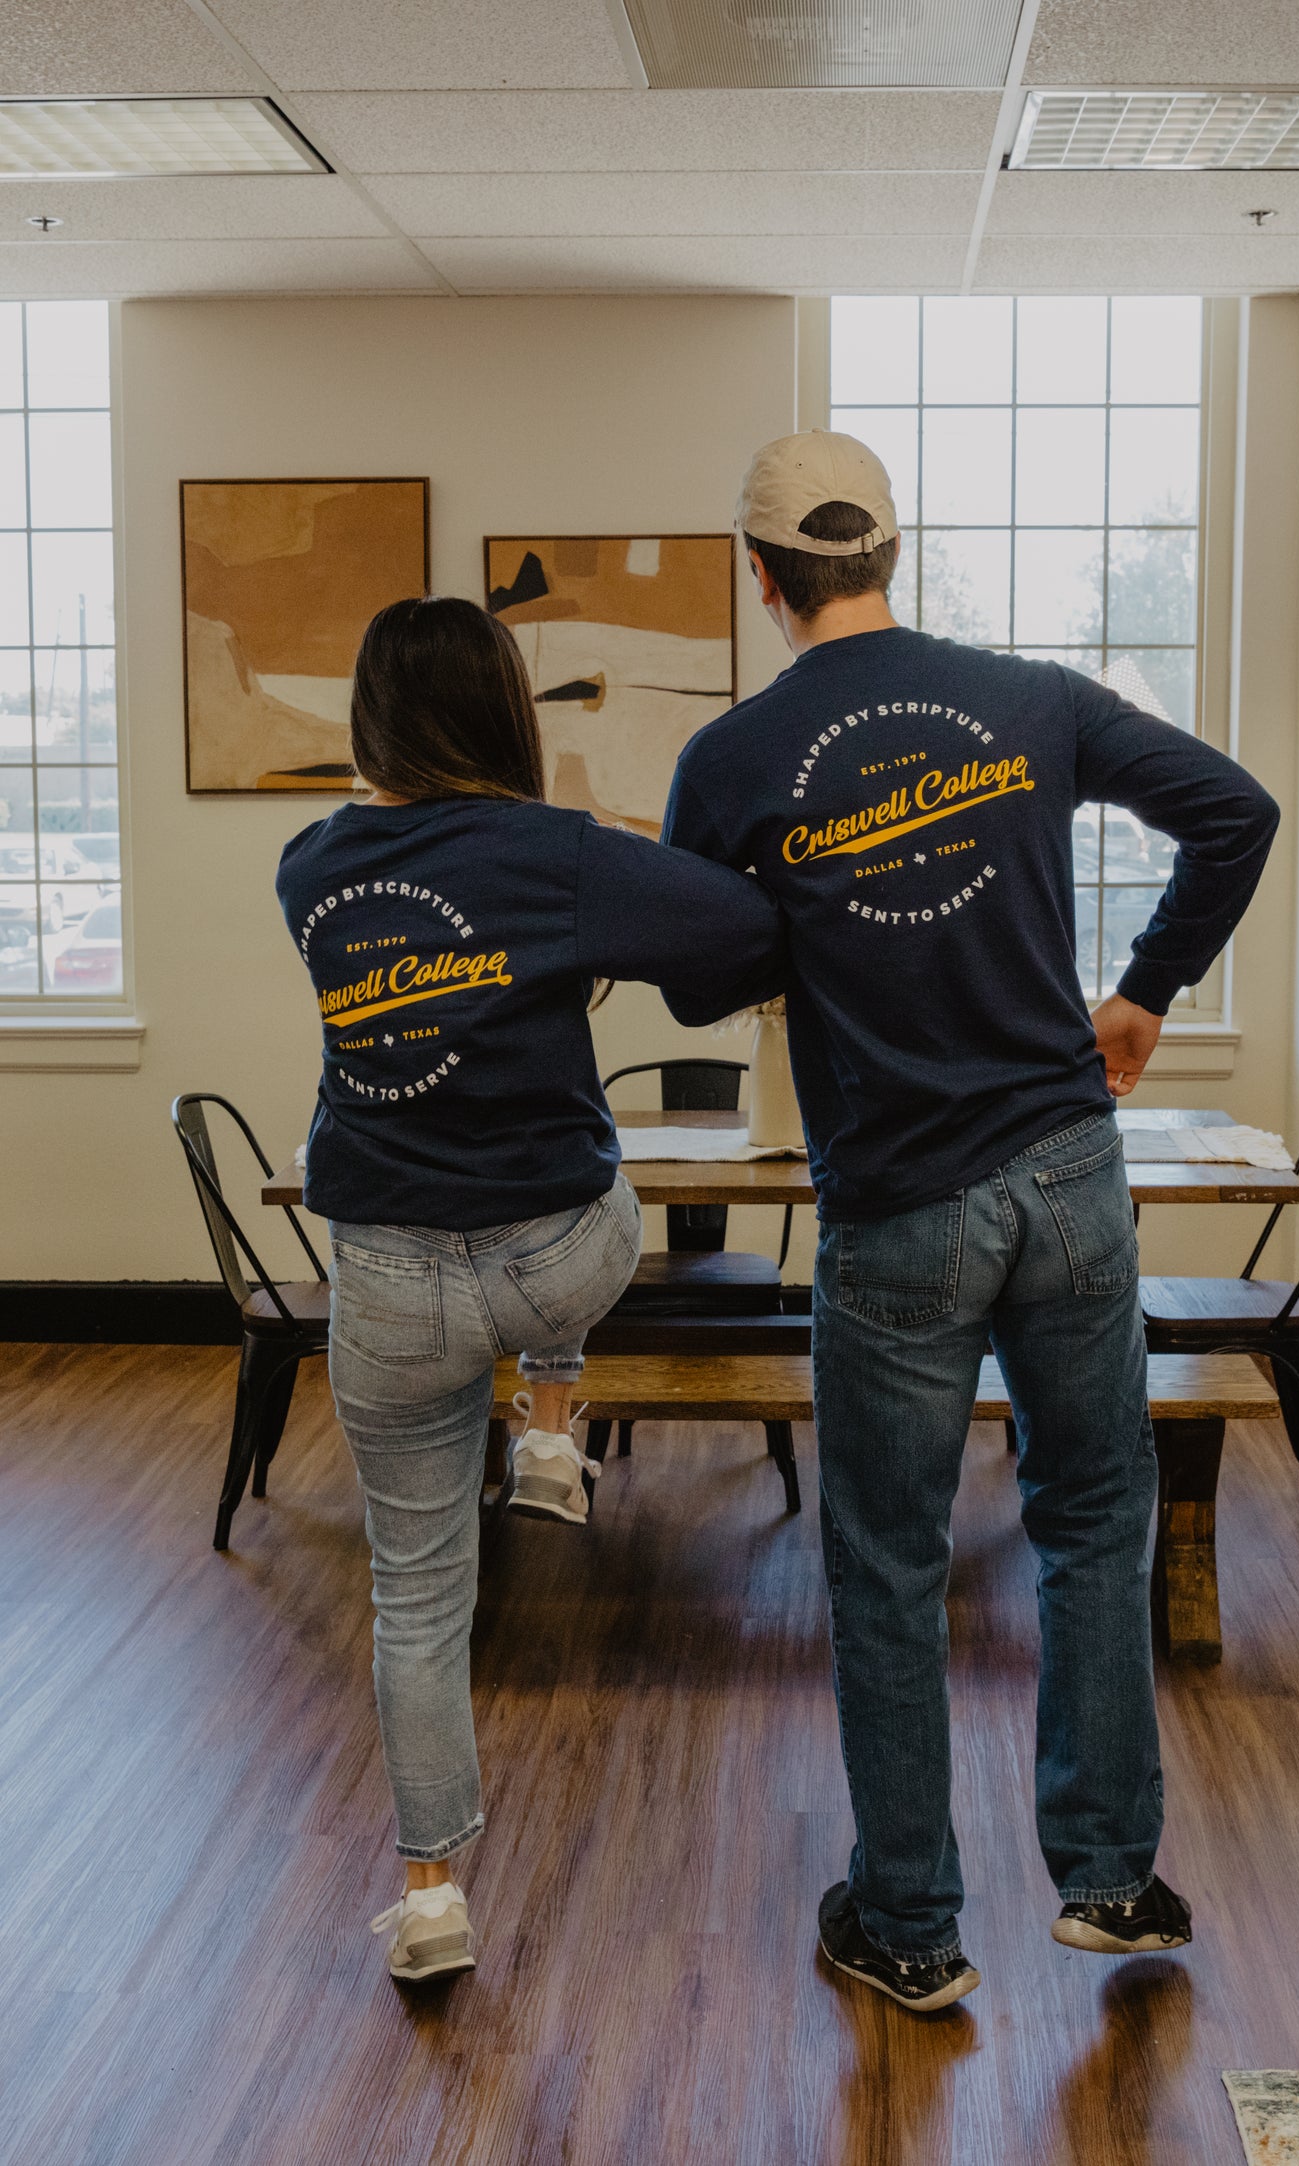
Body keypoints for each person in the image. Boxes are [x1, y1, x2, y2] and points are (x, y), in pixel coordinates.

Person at [662, 430, 1279, 2013]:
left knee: (882, 1563)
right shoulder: (1032, 701)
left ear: (761, 574)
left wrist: (802, 899)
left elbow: (696, 978)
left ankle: (910, 1926)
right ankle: (1111, 1882)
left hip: (900, 1208)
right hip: (1070, 1178)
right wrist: (1140, 994)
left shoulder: (733, 762)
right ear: (887, 551)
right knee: (1089, 1519)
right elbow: (1235, 812)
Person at [276, 595, 785, 1985]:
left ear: (370, 718)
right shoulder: (554, 853)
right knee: (599, 1171)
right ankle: (553, 1426)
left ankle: (430, 1894)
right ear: (504, 708)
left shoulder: (309, 867)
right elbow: (742, 927)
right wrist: (594, 940)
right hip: (557, 1261)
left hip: (381, 1279)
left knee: (419, 1599)